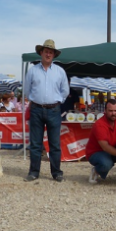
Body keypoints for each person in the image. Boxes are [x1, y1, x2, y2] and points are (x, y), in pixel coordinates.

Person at [23, 39, 69, 182]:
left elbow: (65, 91)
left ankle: (56, 173)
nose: (48, 54)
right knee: (35, 144)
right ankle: (34, 172)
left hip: (54, 110)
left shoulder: (60, 71)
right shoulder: (33, 71)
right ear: (41, 53)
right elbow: (26, 90)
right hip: (36, 109)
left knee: (54, 144)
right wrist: (34, 100)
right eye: (46, 51)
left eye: (51, 52)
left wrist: (58, 101)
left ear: (54, 55)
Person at [86, 99, 116, 184]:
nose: (114, 113)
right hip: (96, 152)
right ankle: (96, 170)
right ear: (105, 111)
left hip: (112, 148)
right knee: (106, 164)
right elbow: (105, 147)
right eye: (110, 111)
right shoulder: (99, 125)